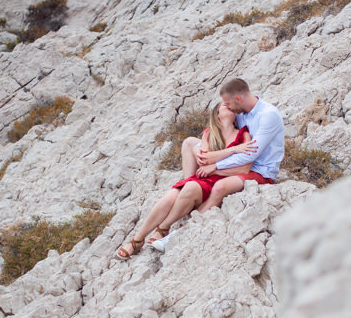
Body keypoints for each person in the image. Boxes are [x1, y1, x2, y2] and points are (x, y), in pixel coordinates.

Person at [115, 102, 257, 259]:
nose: (228, 105)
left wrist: (215, 165)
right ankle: (136, 240)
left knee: (190, 187)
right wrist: (233, 150)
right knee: (169, 196)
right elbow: (204, 161)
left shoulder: (243, 135)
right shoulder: (209, 134)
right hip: (202, 176)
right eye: (224, 105)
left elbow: (245, 168)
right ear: (217, 114)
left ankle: (163, 228)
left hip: (220, 179)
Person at [195, 77, 285, 213]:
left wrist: (215, 166)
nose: (228, 107)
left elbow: (251, 154)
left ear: (238, 98)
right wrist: (198, 149)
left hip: (260, 171)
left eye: (228, 103)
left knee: (220, 187)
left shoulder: (268, 115)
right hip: (238, 165)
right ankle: (192, 187)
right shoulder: (240, 113)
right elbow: (220, 127)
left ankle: (193, 220)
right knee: (190, 143)